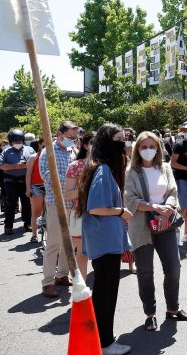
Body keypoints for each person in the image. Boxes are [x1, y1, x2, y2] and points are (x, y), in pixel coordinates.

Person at [125, 131, 187, 332]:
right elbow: (130, 199)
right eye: (144, 147)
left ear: (158, 148)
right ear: (137, 149)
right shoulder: (131, 171)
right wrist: (156, 208)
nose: (148, 150)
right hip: (141, 226)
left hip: (165, 224)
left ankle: (173, 308)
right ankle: (150, 314)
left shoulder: (164, 168)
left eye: (152, 146)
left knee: (173, 268)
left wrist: (166, 211)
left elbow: (172, 192)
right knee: (145, 272)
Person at [78, 123, 132, 355]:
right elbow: (96, 208)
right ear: (107, 142)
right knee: (105, 293)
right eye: (119, 139)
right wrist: (120, 211)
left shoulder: (102, 168)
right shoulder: (103, 170)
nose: (123, 143)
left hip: (106, 239)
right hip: (105, 240)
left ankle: (104, 339)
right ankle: (105, 342)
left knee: (105, 291)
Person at [39, 121, 79, 298]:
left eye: (74, 137)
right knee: (54, 242)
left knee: (69, 243)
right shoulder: (48, 151)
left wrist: (75, 188)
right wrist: (72, 183)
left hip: (73, 204)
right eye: (70, 136)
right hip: (55, 203)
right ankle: (47, 282)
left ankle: (62, 275)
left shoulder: (73, 151)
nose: (72, 139)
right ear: (59, 133)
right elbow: (47, 177)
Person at [64, 132, 95, 278]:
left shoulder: (109, 164)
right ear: (85, 146)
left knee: (103, 253)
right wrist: (89, 189)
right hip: (81, 212)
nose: (95, 146)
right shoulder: (75, 166)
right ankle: (82, 288)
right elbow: (68, 194)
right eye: (92, 142)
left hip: (106, 213)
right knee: (82, 253)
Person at [0, 129, 36, 235]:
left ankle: (28, 223)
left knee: (27, 203)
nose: (18, 144)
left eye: (19, 141)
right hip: (11, 181)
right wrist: (15, 166)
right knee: (10, 204)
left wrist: (27, 165)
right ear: (11, 142)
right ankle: (8, 226)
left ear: (23, 140)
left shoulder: (30, 150)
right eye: (15, 142)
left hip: (26, 180)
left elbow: (36, 162)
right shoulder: (6, 151)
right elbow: (1, 166)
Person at [25, 138, 45, 243]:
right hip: (36, 186)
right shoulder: (34, 157)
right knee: (36, 211)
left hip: (49, 186)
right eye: (44, 145)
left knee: (49, 211)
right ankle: (34, 234)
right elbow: (28, 173)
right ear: (40, 145)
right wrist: (28, 188)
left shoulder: (54, 157)